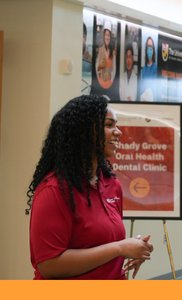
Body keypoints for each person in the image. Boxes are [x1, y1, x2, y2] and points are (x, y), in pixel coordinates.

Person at [28, 95, 153, 280]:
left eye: (116, 125)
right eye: (109, 125)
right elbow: (49, 265)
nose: (118, 132)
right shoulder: (54, 190)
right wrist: (119, 248)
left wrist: (134, 249)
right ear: (83, 132)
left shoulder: (112, 184)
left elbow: (105, 242)